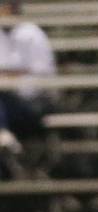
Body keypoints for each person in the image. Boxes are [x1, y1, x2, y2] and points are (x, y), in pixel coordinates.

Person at [0, 0, 55, 156]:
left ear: (12, 8)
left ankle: (3, 132)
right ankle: (3, 135)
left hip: (31, 103)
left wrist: (11, 79)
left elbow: (43, 75)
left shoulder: (32, 33)